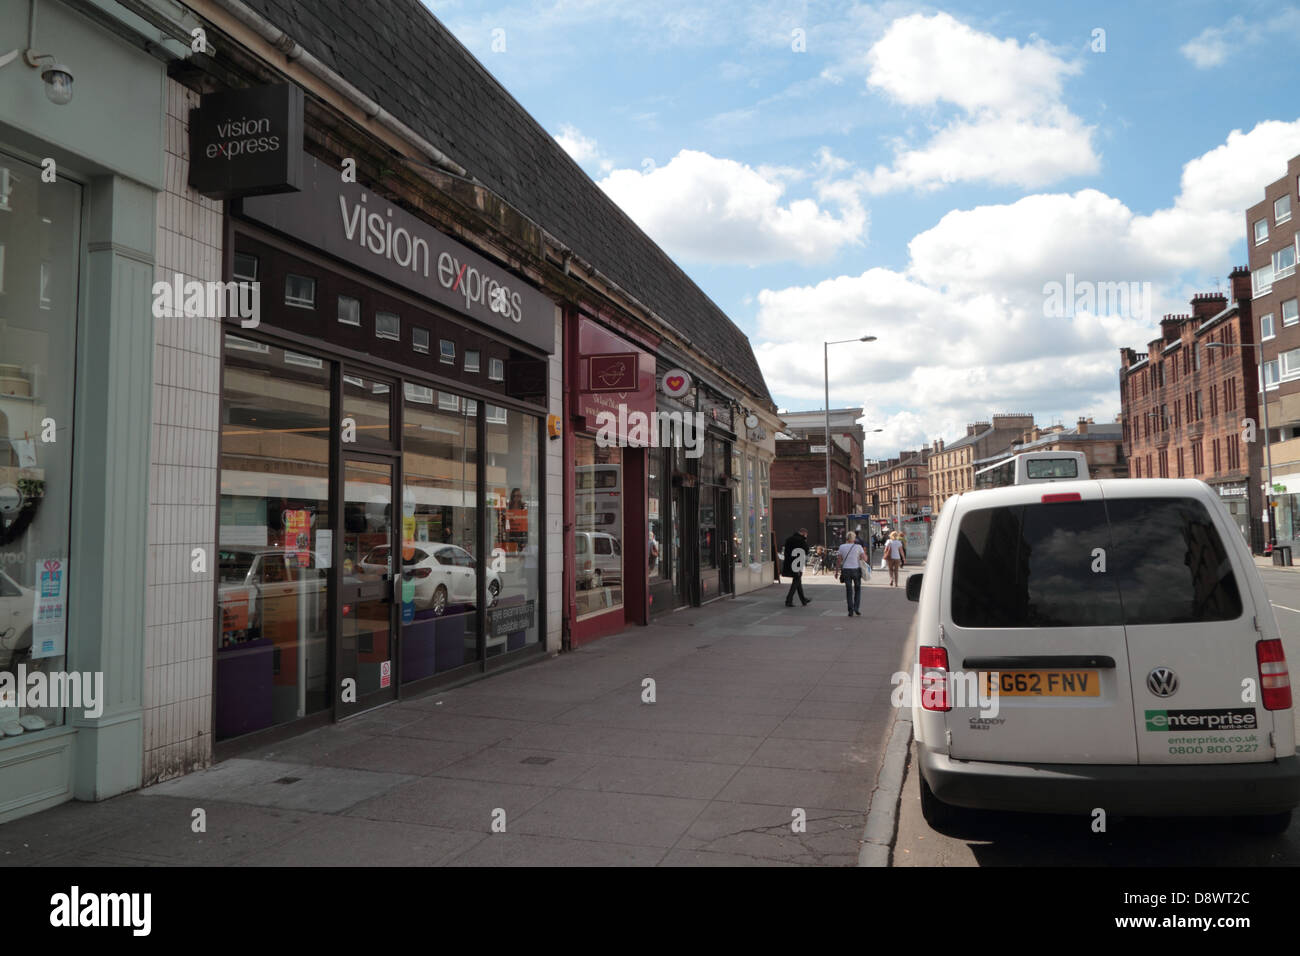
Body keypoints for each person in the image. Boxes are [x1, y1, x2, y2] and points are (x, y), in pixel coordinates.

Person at [836, 531, 869, 616]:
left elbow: (839, 560)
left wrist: (836, 572)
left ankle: (850, 610)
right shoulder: (858, 547)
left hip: (846, 570)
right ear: (854, 538)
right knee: (857, 589)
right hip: (856, 570)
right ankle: (856, 608)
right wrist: (864, 554)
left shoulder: (842, 547)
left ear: (846, 538)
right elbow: (865, 559)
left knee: (849, 590)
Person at [781, 527, 812, 607]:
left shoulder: (789, 539)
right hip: (797, 563)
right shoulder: (802, 540)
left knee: (798, 580)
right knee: (796, 581)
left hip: (789, 562)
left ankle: (803, 600)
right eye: (806, 535)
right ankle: (788, 600)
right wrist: (805, 540)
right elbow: (806, 550)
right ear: (804, 533)